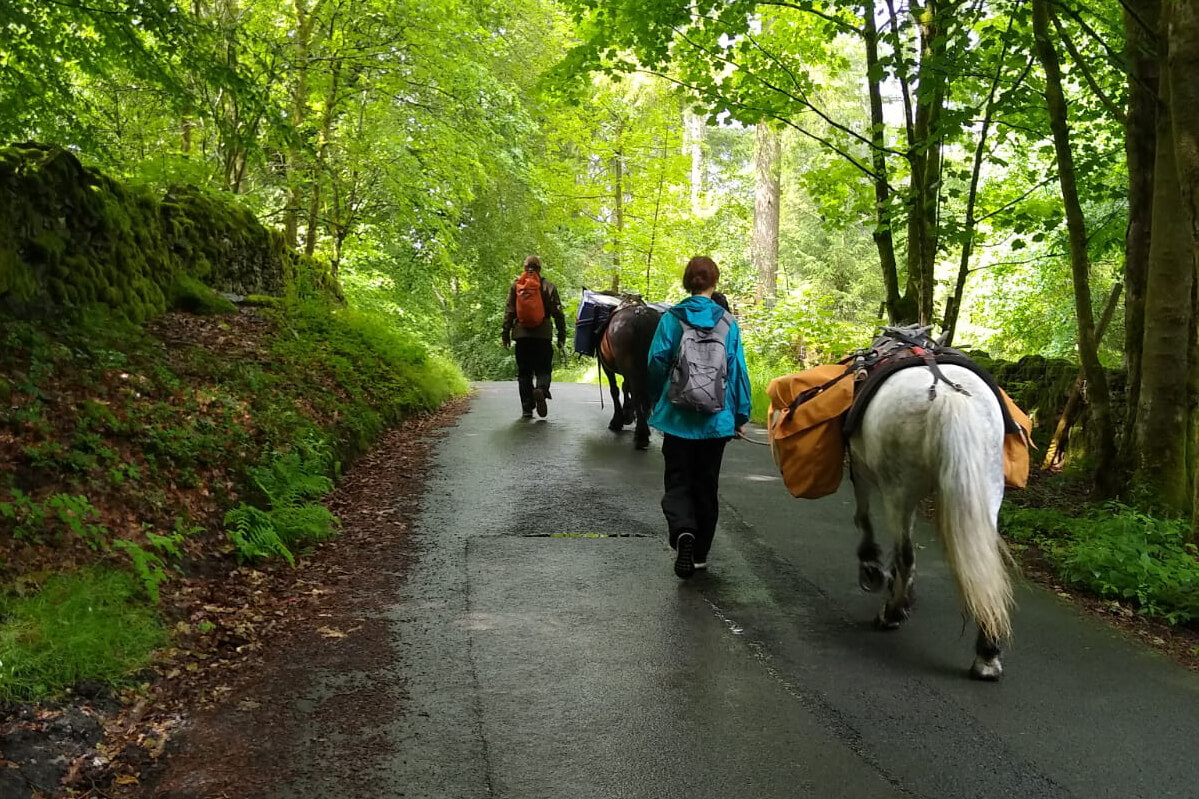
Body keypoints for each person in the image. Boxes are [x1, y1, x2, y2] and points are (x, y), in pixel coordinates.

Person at [646, 256, 751, 579]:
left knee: (678, 479)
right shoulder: (728, 323)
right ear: (714, 282)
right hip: (716, 421)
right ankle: (701, 553)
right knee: (706, 484)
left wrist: (657, 398)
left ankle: (683, 532)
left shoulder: (672, 319)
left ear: (687, 282)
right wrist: (740, 415)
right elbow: (737, 373)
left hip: (677, 418)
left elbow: (656, 361)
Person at [502, 255, 567, 418]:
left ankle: (526, 407)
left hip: (522, 335)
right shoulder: (548, 286)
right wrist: (561, 335)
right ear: (539, 268)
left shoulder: (516, 286)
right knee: (543, 369)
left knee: (524, 372)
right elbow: (558, 314)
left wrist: (505, 334)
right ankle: (541, 389)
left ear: (525, 268)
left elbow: (509, 312)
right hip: (542, 335)